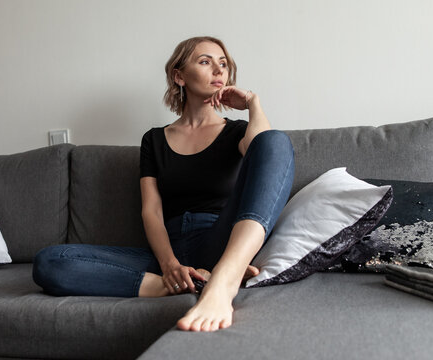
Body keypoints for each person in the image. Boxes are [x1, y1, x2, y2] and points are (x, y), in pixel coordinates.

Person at [32, 36, 295, 333]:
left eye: (223, 64)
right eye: (205, 62)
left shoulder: (237, 132)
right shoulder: (154, 139)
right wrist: (169, 267)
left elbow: (265, 153)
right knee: (50, 261)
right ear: (178, 75)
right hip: (167, 252)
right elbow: (151, 212)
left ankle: (225, 278)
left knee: (275, 141)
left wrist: (252, 104)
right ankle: (182, 284)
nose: (218, 71)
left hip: (219, 242)